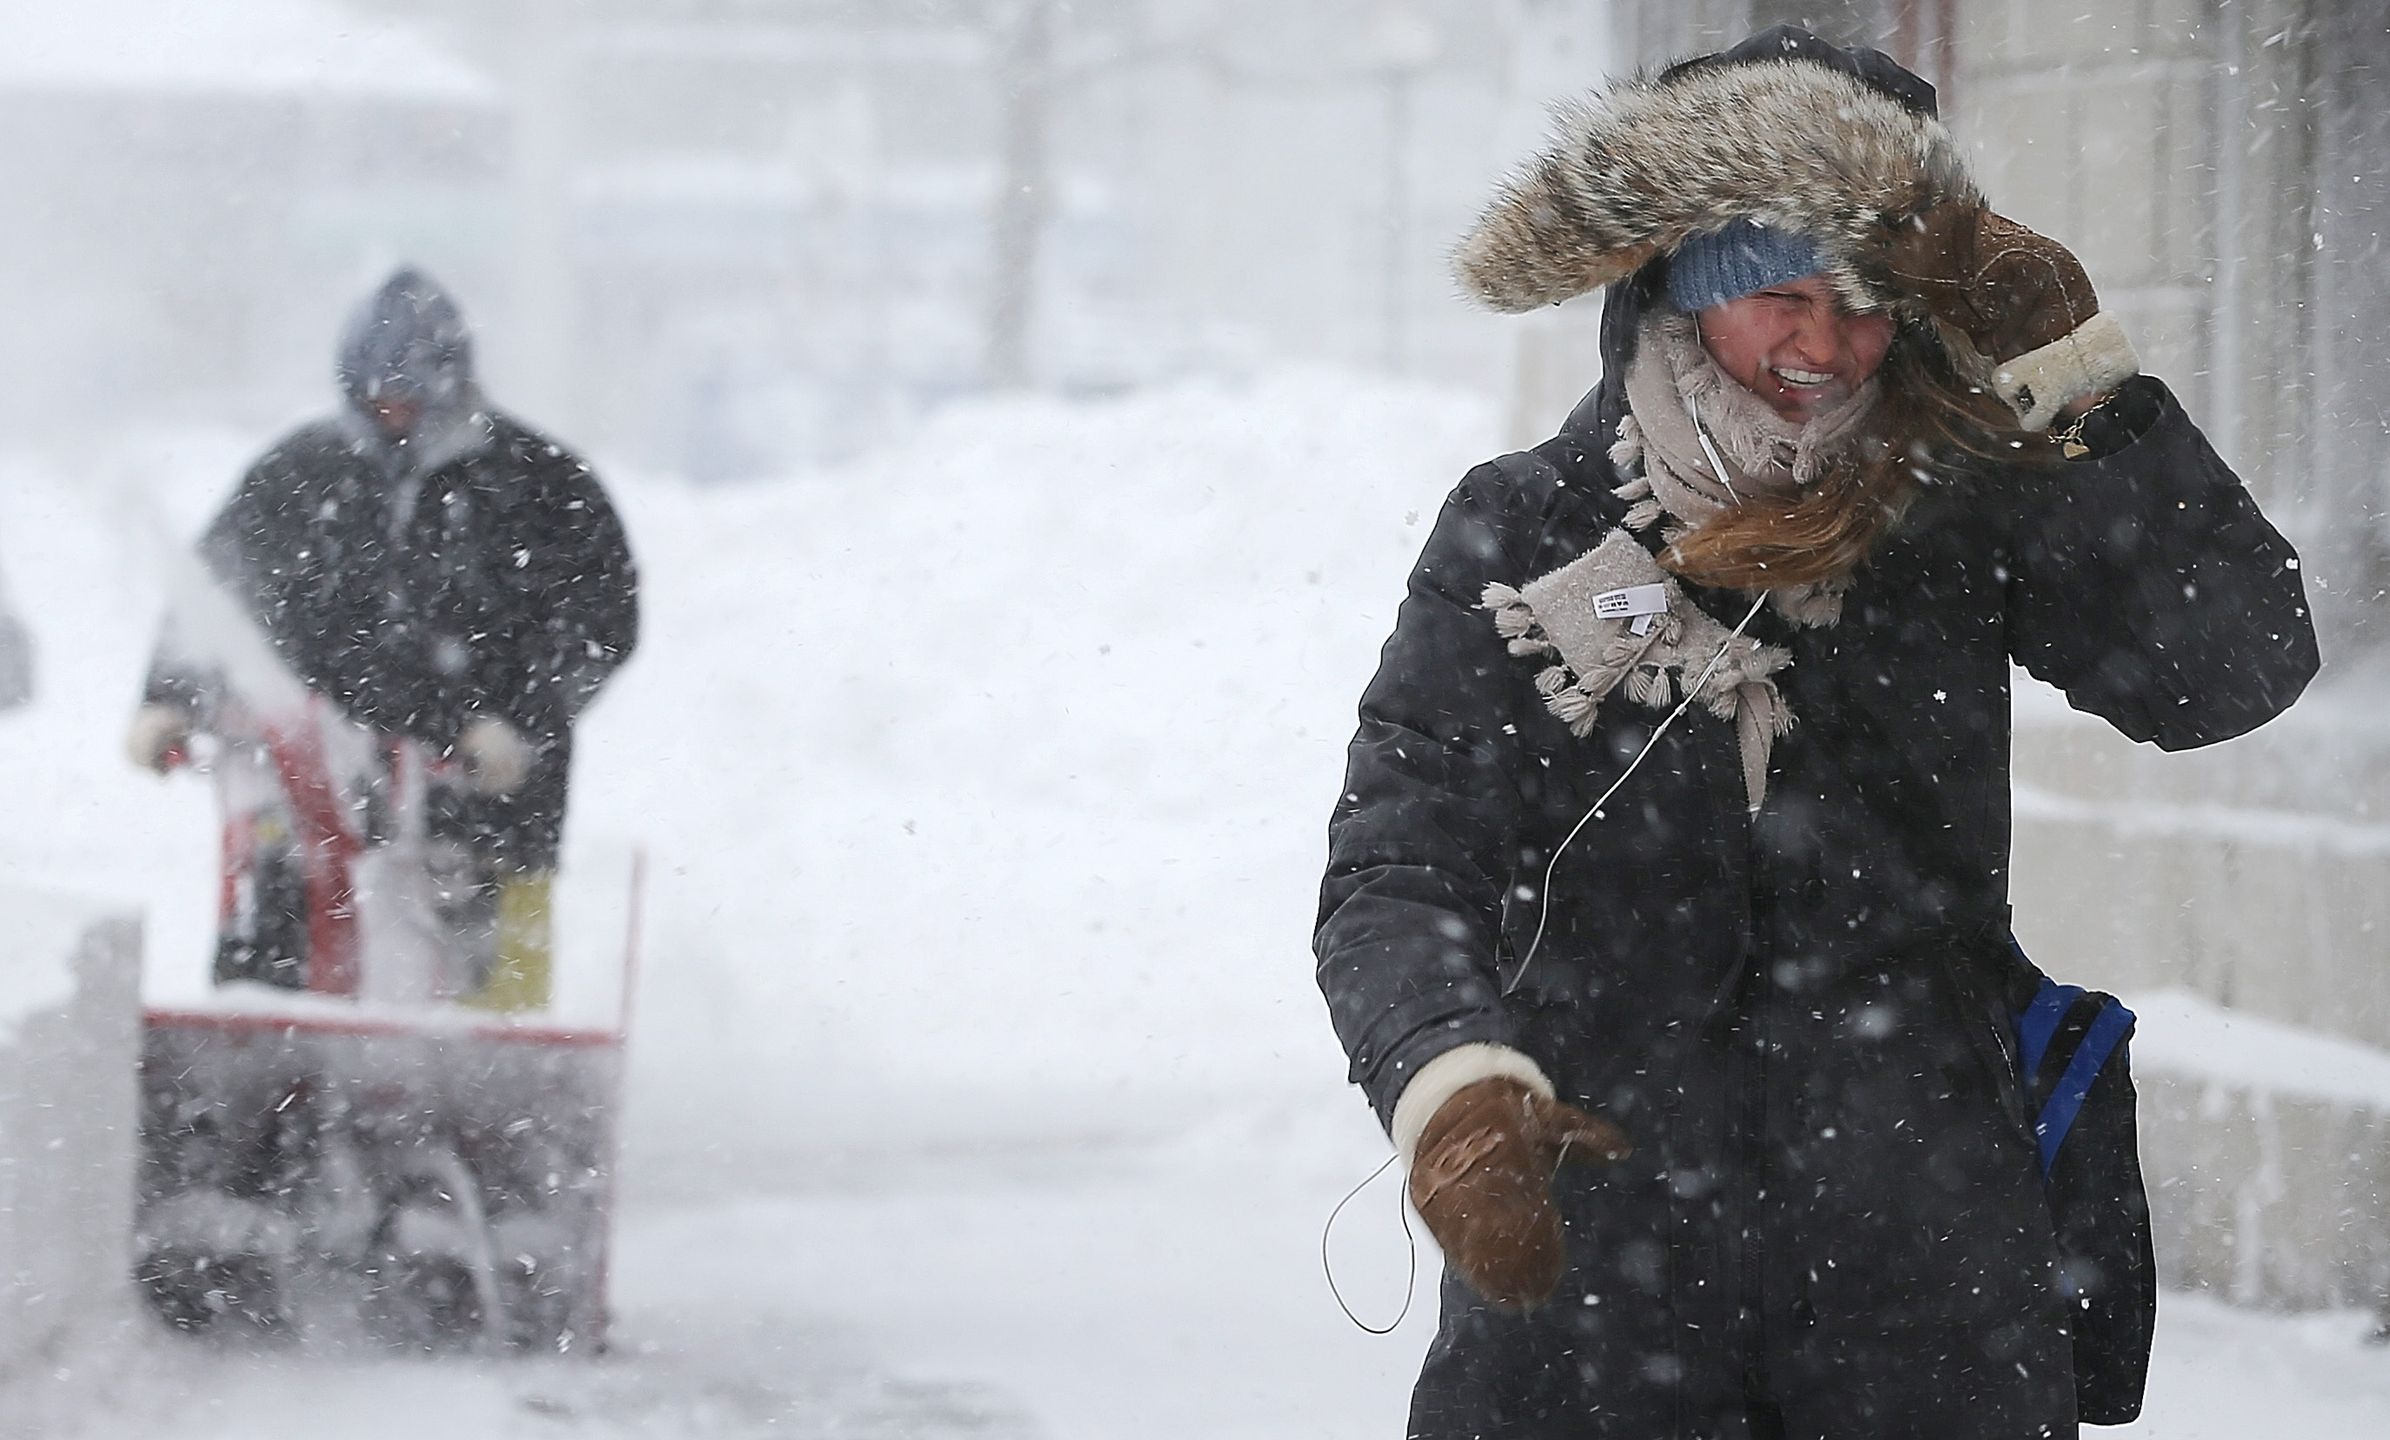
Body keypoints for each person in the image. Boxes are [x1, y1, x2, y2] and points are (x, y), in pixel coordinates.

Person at [1314, 28, 2317, 1440]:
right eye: (1776, 295)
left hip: (1922, 1288)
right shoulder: (1528, 521)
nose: (1823, 346)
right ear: (1679, 283)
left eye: (1861, 304)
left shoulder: (1963, 508)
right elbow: (1400, 863)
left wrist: (2078, 376)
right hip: (1600, 1281)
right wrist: (1450, 1085)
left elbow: (2229, 670)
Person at [128, 267, 638, 1009]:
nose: (392, 416)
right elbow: (215, 597)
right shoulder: (298, 475)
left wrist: (520, 726)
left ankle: (489, 1106)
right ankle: (270, 1083)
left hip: (491, 811)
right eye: (376, 400)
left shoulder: (541, 486)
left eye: (408, 399)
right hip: (316, 791)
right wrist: (170, 696)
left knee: (490, 1011)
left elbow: (602, 625)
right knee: (277, 971)